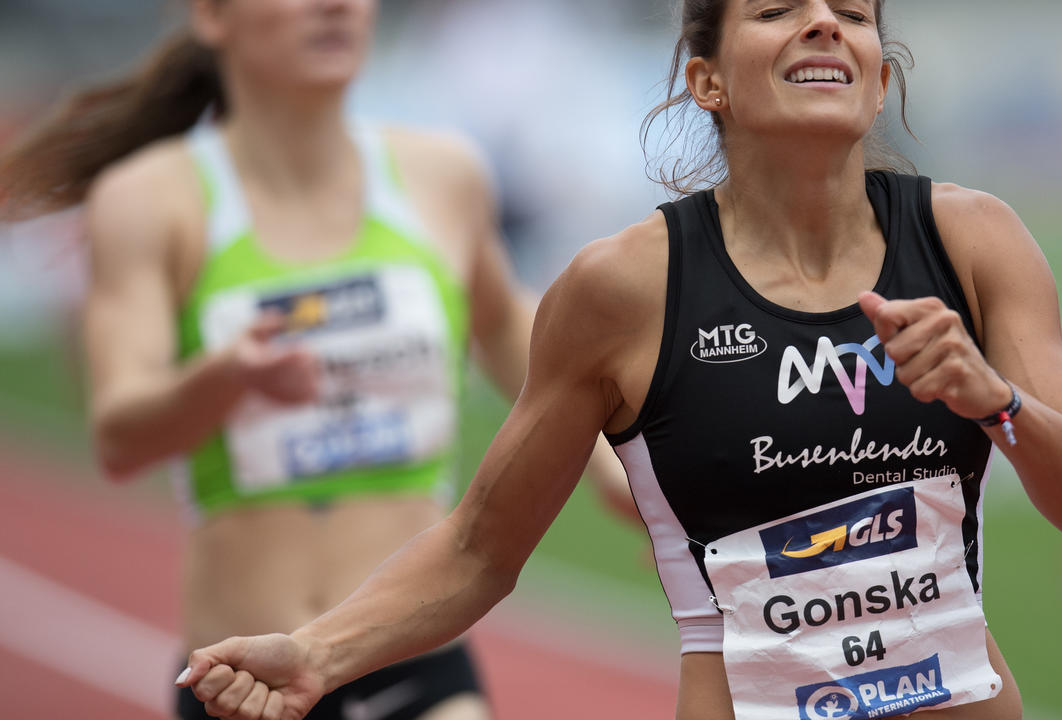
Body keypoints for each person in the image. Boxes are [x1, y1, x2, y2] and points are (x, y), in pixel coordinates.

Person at [171, 1, 1062, 719]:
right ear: (706, 80)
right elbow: (479, 547)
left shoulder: (972, 241)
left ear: (878, 78)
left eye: (849, 15)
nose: (821, 25)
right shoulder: (621, 290)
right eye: (776, 12)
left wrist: (994, 401)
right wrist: (315, 654)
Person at [0, 1, 635, 719]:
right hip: (241, 678)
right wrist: (225, 378)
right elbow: (119, 437)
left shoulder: (439, 175)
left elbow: (505, 330)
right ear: (212, 16)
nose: (337, 6)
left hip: (413, 658)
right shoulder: (151, 201)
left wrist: (609, 456)